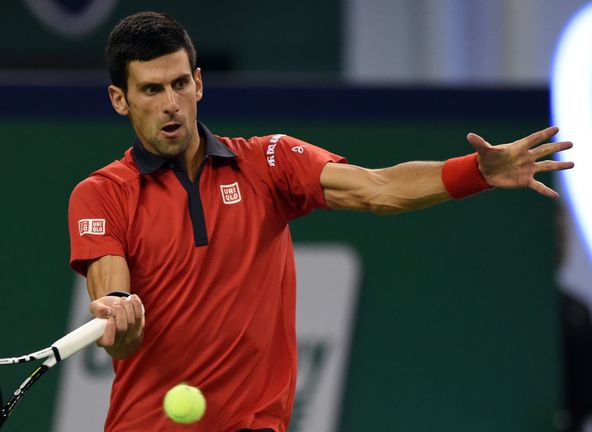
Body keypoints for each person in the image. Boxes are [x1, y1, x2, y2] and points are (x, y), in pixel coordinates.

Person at [67, 11, 574, 432]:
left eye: (181, 84)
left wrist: (478, 171)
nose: (171, 104)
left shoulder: (269, 161)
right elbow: (115, 313)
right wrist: (120, 317)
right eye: (151, 90)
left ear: (199, 83)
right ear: (120, 100)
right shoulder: (101, 194)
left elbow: (380, 189)